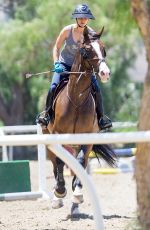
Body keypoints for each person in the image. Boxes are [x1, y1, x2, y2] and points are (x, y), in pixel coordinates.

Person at [36, 3, 112, 130]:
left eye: (85, 18)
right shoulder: (67, 30)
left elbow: (95, 51)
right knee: (53, 87)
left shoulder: (91, 33)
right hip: (64, 65)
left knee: (97, 89)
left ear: (88, 19)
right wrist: (56, 63)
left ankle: (101, 118)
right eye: (80, 17)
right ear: (76, 18)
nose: (83, 20)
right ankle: (46, 114)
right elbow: (56, 47)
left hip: (82, 69)